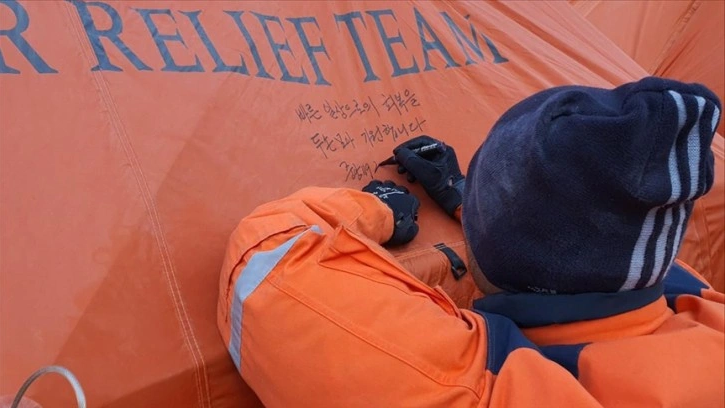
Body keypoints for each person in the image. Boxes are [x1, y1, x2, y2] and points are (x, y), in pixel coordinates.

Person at [217, 77, 724, 407]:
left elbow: (268, 253)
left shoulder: (491, 389)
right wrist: (471, 200)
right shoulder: (696, 304)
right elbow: (611, 248)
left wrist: (382, 211)